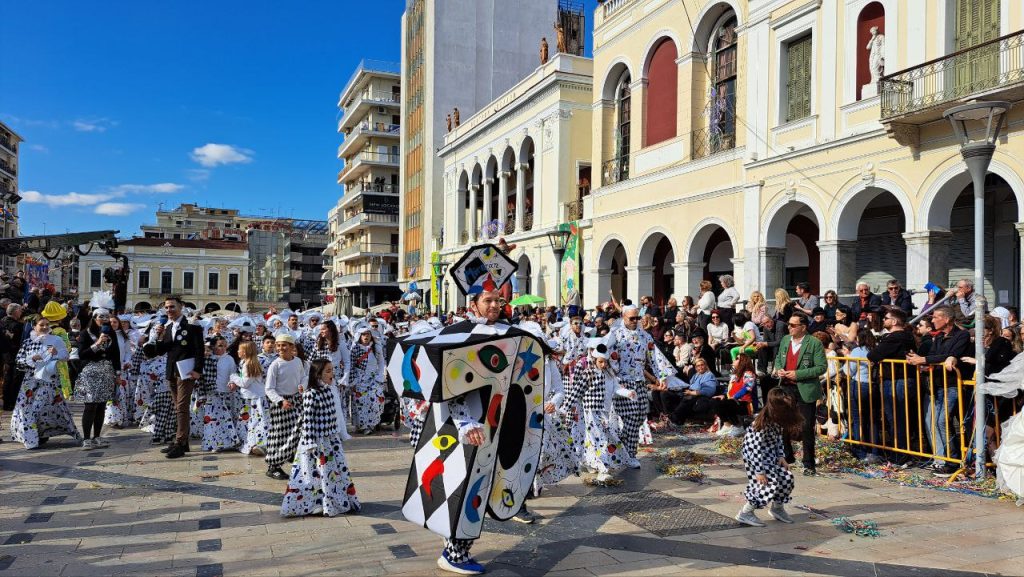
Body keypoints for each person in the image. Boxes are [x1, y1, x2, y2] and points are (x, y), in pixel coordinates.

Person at [281, 359, 359, 517]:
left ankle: (333, 500)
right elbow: (307, 419)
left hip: (330, 440)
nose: (332, 374)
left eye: (332, 370)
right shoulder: (311, 393)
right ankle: (313, 503)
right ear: (318, 374)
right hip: (316, 442)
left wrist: (338, 434)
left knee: (331, 473)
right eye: (328, 371)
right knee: (312, 474)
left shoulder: (329, 390)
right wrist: (310, 442)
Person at [906, 306, 972, 475]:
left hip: (952, 385)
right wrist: (923, 362)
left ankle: (953, 460)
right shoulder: (939, 337)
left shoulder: (961, 335)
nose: (933, 320)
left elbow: (950, 354)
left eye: (936, 317)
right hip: (937, 385)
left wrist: (924, 359)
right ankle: (944, 459)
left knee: (943, 421)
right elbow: (937, 355)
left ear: (947, 319)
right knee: (935, 422)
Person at [609, 305, 674, 469]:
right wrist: (615, 380)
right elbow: (609, 359)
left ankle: (622, 447)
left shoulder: (645, 336)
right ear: (623, 317)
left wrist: (661, 377)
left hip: (639, 381)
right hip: (623, 382)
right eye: (632, 318)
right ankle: (630, 454)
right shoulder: (615, 336)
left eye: (637, 318)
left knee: (639, 416)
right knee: (630, 417)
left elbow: (653, 357)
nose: (635, 321)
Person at [144, 296, 205, 459]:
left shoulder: (192, 326)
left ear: (181, 307)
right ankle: (183, 442)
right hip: (171, 371)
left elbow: (200, 349)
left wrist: (198, 369)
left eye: (172, 307)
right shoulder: (168, 327)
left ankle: (179, 442)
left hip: (186, 371)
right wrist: (157, 336)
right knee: (178, 407)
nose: (169, 310)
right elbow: (161, 350)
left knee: (182, 406)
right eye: (167, 307)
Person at [10, 317, 82, 449]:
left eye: (46, 325)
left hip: (49, 381)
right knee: (27, 408)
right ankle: (32, 437)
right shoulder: (28, 342)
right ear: (34, 326)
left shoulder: (56, 340)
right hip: (30, 382)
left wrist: (56, 353)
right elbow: (18, 360)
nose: (44, 327)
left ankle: (41, 434)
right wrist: (31, 358)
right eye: (41, 325)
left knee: (40, 407)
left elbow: (66, 356)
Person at [735, 388, 802, 527]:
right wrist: (759, 471)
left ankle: (777, 508)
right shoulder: (761, 423)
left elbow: (778, 439)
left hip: (771, 455)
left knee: (786, 479)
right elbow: (753, 448)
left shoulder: (777, 420)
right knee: (766, 485)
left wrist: (781, 456)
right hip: (756, 458)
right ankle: (746, 512)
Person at [559, 343, 625, 485]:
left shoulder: (607, 374)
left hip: (601, 412)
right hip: (590, 412)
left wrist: (628, 393)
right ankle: (603, 468)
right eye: (600, 362)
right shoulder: (588, 373)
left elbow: (615, 389)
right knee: (598, 439)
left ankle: (593, 463)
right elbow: (576, 391)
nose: (603, 364)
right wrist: (565, 408)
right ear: (594, 360)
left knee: (601, 438)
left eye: (605, 362)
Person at [773, 314, 827, 476]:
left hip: (805, 388)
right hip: (786, 387)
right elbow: (778, 358)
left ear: (803, 327)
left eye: (793, 325)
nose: (789, 327)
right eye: (789, 324)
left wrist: (798, 374)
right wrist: (780, 369)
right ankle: (787, 456)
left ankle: (809, 463)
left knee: (806, 426)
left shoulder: (814, 343)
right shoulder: (785, 340)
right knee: (782, 423)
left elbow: (821, 367)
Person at [867, 308, 917, 459]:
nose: (883, 320)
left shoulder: (898, 337)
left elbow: (873, 354)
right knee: (894, 417)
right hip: (893, 380)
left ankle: (901, 454)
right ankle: (898, 452)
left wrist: (879, 354)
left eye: (886, 318)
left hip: (899, 381)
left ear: (894, 321)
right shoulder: (897, 336)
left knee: (898, 418)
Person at [76, 294, 121, 449]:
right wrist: (97, 343)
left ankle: (97, 436)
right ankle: (86, 438)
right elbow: (82, 354)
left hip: (107, 371)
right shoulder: (85, 334)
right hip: (90, 371)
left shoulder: (112, 333)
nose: (104, 320)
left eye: (106, 317)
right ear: (94, 318)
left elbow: (116, 354)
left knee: (101, 405)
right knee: (90, 406)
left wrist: (118, 373)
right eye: (101, 317)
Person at [264, 333, 308, 480]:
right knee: (278, 436)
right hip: (281, 404)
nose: (280, 348)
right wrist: (281, 401)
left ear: (291, 347)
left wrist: (302, 385)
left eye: (284, 345)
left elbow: (303, 377)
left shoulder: (298, 362)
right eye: (278, 345)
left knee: (297, 432)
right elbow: (269, 388)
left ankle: (293, 459)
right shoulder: (275, 365)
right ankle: (273, 466)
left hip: (296, 401)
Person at [202, 336, 240, 452]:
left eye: (224, 345)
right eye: (219, 345)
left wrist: (233, 382)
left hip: (226, 392)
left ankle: (229, 442)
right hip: (212, 392)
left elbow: (233, 373)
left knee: (226, 419)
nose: (222, 348)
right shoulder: (208, 358)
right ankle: (215, 443)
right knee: (213, 419)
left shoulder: (229, 359)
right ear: (213, 346)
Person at [234, 340, 269, 456]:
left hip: (255, 398)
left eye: (240, 349)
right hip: (251, 398)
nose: (238, 351)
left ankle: (259, 444)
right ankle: (252, 443)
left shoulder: (249, 364)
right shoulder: (245, 362)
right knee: (251, 422)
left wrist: (233, 377)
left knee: (256, 422)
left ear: (245, 352)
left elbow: (245, 383)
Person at [711, 353, 757, 438]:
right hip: (734, 400)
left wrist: (735, 397)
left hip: (746, 403)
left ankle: (738, 426)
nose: (733, 360)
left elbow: (747, 388)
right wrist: (724, 396)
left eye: (736, 358)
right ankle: (727, 425)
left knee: (728, 404)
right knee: (715, 401)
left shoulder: (749, 374)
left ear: (743, 361)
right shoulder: (735, 375)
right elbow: (730, 390)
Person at [349, 326, 383, 435]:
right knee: (360, 403)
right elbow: (351, 366)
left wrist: (380, 376)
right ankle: (362, 426)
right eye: (363, 334)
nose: (366, 336)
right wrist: (353, 381)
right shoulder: (355, 349)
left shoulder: (376, 348)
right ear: (359, 336)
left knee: (374, 400)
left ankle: (371, 424)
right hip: (359, 380)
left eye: (368, 334)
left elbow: (381, 362)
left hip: (374, 380)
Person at [666, 358, 717, 427]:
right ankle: (670, 416)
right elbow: (690, 385)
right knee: (667, 394)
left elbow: (709, 391)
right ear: (695, 368)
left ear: (706, 365)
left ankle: (673, 419)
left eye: (702, 365)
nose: (700, 367)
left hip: (700, 396)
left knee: (688, 398)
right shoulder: (696, 375)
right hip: (690, 392)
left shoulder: (709, 375)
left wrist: (692, 393)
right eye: (698, 366)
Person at [104, 316, 135, 429]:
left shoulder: (123, 336)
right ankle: (112, 418)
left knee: (121, 394)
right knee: (111, 394)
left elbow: (127, 352)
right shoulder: (104, 336)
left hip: (122, 369)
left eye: (115, 322)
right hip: (107, 369)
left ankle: (121, 417)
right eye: (111, 322)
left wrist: (127, 362)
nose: (113, 324)